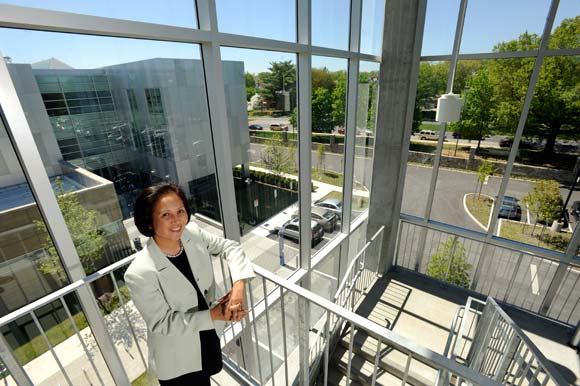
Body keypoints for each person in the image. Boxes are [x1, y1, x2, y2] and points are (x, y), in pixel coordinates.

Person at [124, 183, 255, 385]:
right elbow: (163, 323)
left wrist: (238, 286)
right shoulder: (139, 273)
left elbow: (230, 248)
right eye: (165, 215)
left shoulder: (192, 233)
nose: (176, 220)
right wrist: (214, 314)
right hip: (177, 356)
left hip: (207, 335)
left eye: (180, 211)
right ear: (149, 223)